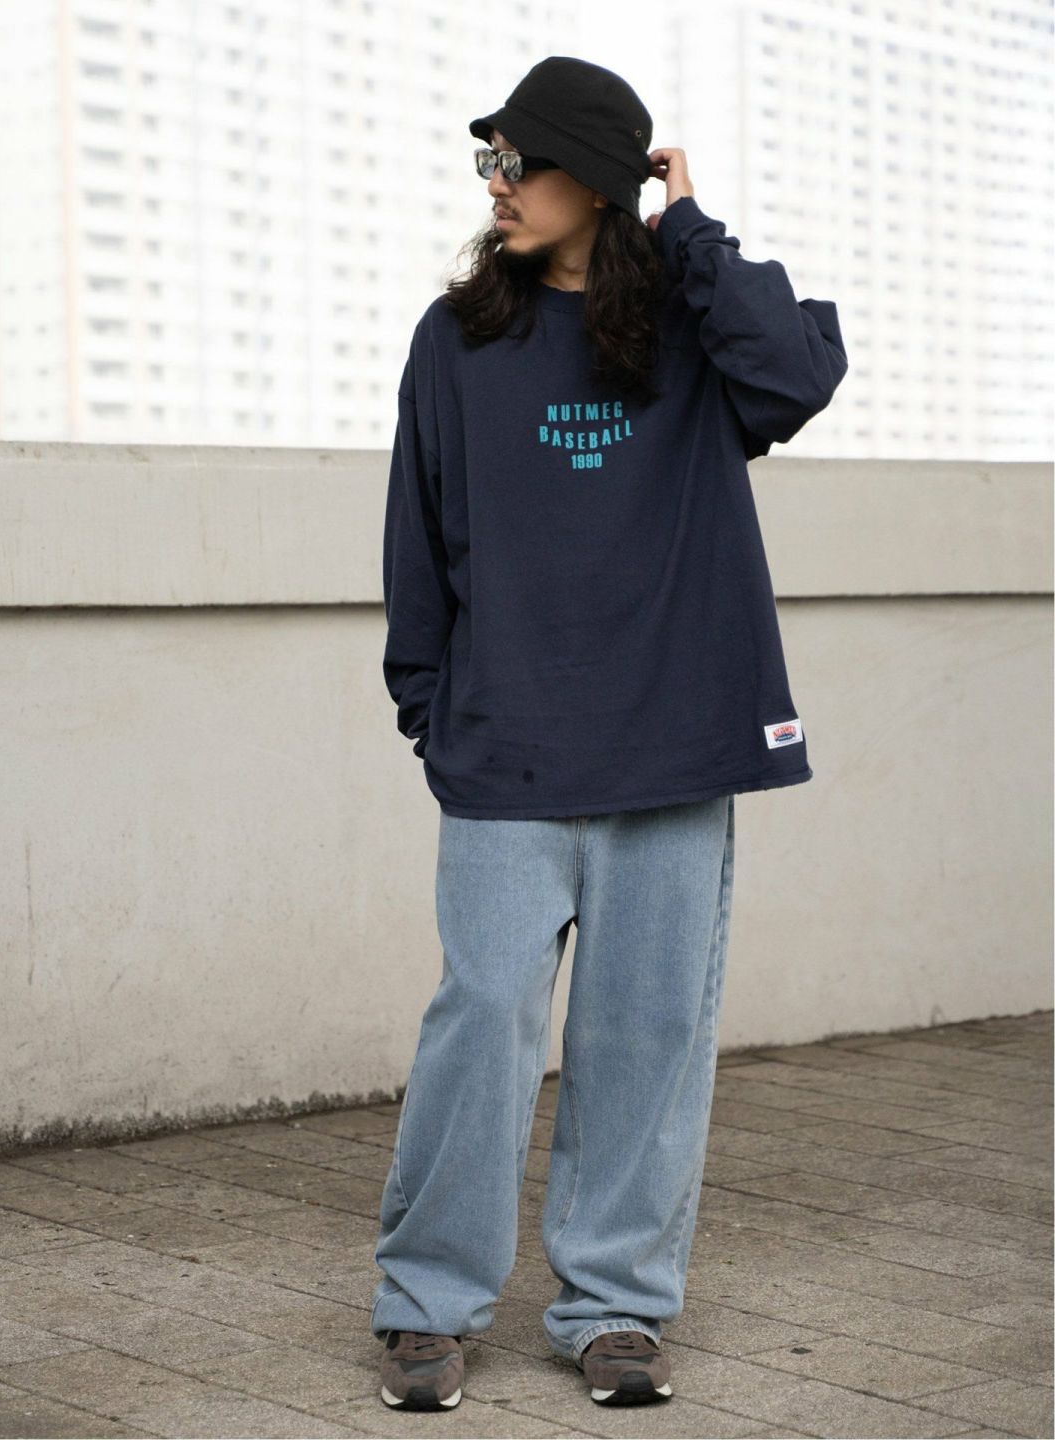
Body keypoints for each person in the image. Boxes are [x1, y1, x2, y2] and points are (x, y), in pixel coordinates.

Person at [371, 55, 848, 1412]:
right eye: (490, 163)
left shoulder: (695, 329)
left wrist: (690, 231)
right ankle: (426, 1303)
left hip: (674, 748)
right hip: (507, 750)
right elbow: (418, 536)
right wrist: (430, 708)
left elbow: (799, 374)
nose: (498, 185)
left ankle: (615, 1306)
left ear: (595, 177)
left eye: (519, 162)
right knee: (481, 1022)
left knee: (647, 1037)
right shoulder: (457, 339)